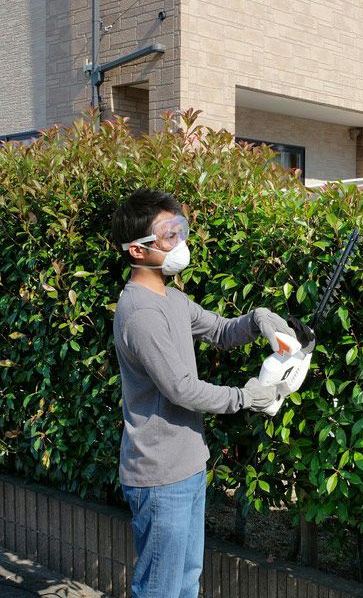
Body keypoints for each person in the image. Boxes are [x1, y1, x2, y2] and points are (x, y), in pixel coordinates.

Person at [110, 188, 295, 598]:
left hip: (189, 464)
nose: (180, 242)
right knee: (160, 589)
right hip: (159, 475)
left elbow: (220, 330)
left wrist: (257, 320)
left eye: (180, 230)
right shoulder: (141, 313)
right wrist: (247, 397)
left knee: (186, 582)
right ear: (137, 250)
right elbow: (182, 389)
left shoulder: (172, 298)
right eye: (168, 235)